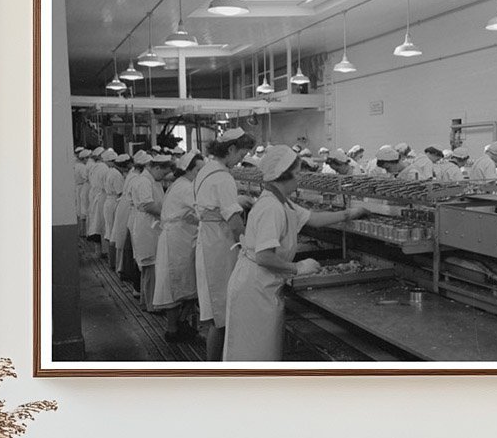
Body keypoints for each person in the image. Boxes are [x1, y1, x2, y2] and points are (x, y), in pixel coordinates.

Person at [224, 146, 368, 361]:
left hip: (263, 285)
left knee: (262, 353)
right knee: (253, 353)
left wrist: (350, 213)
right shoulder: (271, 207)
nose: (300, 178)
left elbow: (315, 219)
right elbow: (264, 256)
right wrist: (298, 268)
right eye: (298, 173)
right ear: (284, 175)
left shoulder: (283, 202)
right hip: (254, 289)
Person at [195, 127, 256, 361]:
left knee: (217, 312)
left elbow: (212, 204)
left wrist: (236, 200)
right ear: (231, 149)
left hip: (208, 241)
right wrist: (249, 248)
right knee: (221, 316)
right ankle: (215, 368)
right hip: (219, 247)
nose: (242, 160)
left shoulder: (208, 169)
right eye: (241, 154)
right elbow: (234, 223)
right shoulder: (223, 177)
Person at [153, 150, 204, 342]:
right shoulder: (186, 188)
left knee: (184, 285)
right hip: (177, 242)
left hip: (180, 238)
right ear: (189, 170)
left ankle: (179, 325)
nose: (201, 173)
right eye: (199, 169)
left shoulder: (181, 184)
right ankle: (173, 330)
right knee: (176, 285)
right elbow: (203, 208)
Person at [129, 152, 174, 309]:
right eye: (162, 173)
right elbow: (148, 205)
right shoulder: (144, 182)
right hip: (147, 226)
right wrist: (167, 214)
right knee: (150, 266)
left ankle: (147, 300)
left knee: (152, 267)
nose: (163, 177)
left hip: (152, 225)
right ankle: (151, 305)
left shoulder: (151, 180)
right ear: (155, 167)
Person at [114, 150, 148, 291]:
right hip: (135, 214)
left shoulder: (133, 175)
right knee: (136, 252)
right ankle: (136, 286)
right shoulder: (138, 179)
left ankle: (131, 280)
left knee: (131, 248)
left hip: (131, 211)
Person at [74, 148, 91, 236]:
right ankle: (84, 231)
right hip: (83, 186)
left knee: (80, 209)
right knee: (85, 210)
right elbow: (87, 177)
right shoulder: (82, 167)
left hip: (78, 187)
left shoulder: (76, 165)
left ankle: (81, 231)